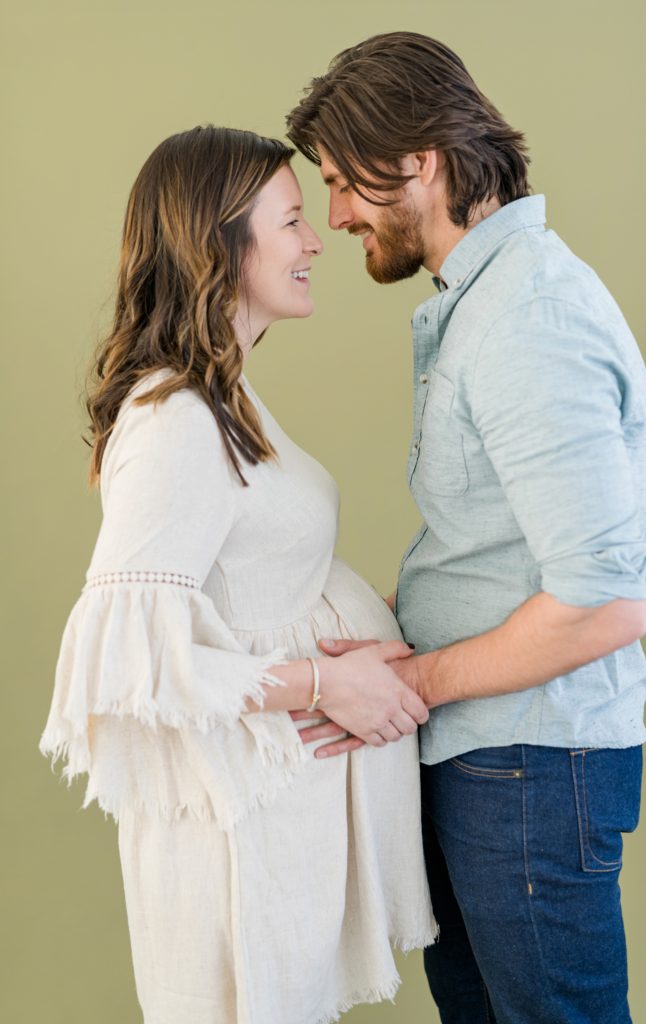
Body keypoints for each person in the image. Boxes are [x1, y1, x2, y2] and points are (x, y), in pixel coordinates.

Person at [286, 31, 646, 1024]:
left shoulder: (526, 318)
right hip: (494, 764)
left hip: (528, 771)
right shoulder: (488, 304)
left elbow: (601, 605)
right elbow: (493, 555)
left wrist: (410, 682)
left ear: (420, 162)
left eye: (342, 183)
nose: (334, 216)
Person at [39, 125, 437, 1024]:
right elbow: (130, 662)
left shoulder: (224, 395)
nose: (314, 241)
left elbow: (254, 588)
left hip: (271, 824)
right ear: (218, 244)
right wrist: (327, 683)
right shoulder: (174, 416)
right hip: (231, 840)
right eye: (291, 220)